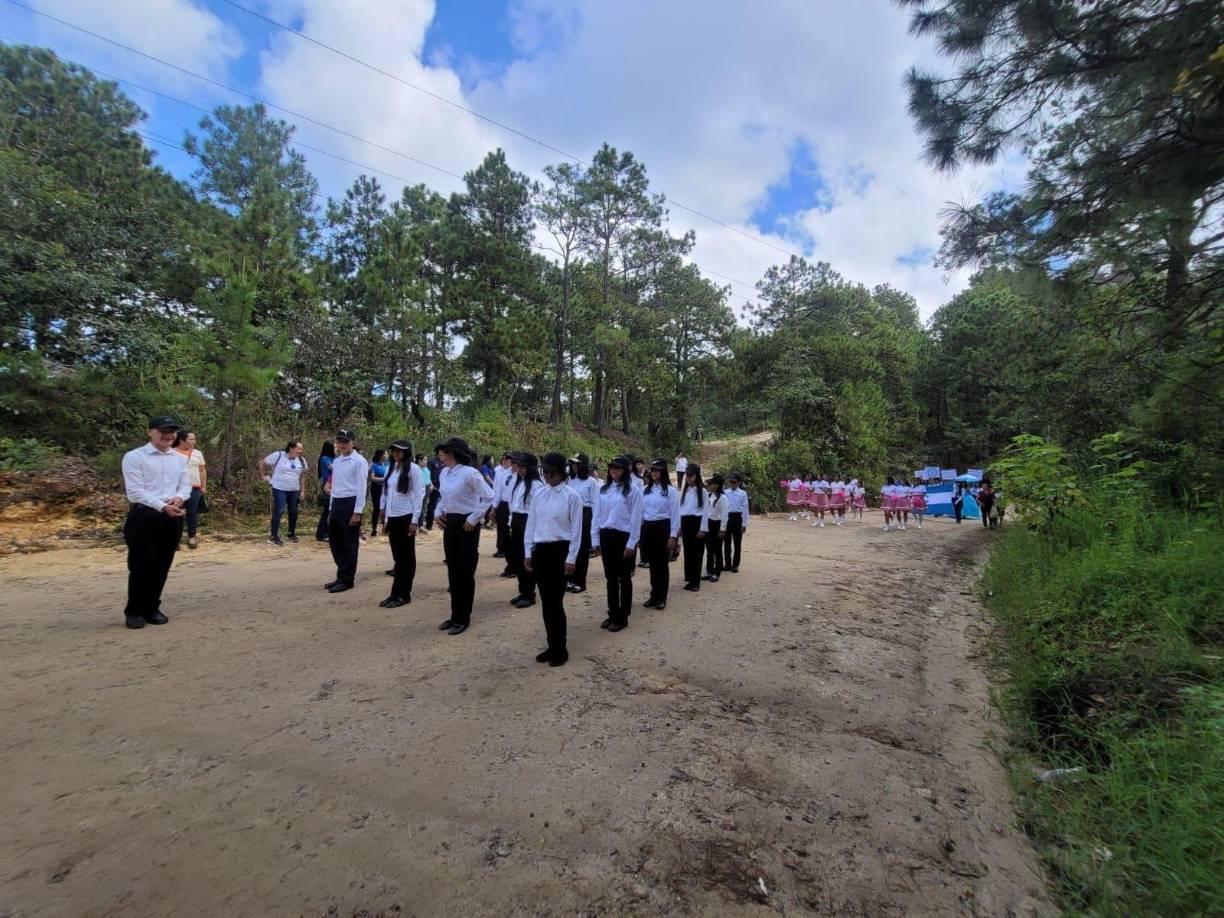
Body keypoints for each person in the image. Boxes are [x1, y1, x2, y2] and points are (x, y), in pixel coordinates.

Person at [121, 416, 191, 629]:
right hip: (144, 516)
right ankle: (134, 611)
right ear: (150, 432)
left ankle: (152, 607)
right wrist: (162, 506)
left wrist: (179, 498)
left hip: (172, 516)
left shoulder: (179, 458)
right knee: (141, 565)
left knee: (162, 564)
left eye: (172, 432)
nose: (168, 436)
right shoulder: (135, 457)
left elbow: (185, 485)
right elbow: (135, 491)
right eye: (163, 431)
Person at [524, 452, 583, 667]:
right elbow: (532, 524)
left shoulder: (571, 496)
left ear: (561, 473)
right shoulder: (539, 494)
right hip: (541, 550)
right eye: (545, 471)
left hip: (561, 551)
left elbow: (576, 531)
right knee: (546, 601)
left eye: (551, 472)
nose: (547, 476)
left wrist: (571, 557)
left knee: (555, 602)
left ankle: (560, 648)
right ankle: (551, 645)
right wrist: (528, 552)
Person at [434, 437, 493, 635]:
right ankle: (454, 615)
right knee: (453, 569)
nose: (441, 455)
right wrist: (437, 512)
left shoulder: (470, 473)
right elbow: (444, 498)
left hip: (467, 525)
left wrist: (475, 518)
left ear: (453, 453)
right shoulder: (445, 473)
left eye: (444, 452)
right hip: (450, 522)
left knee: (465, 572)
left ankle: (463, 617)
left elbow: (489, 496)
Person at [591, 455, 643, 631]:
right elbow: (597, 515)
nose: (614, 470)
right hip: (607, 536)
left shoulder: (632, 490)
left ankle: (623, 615)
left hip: (623, 536)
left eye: (617, 467)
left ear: (625, 470)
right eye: (611, 467)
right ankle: (613, 612)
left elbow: (636, 517)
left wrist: (632, 543)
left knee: (624, 576)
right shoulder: (604, 489)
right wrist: (595, 539)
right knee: (611, 577)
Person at [379, 439, 424, 608]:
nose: (396, 453)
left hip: (406, 516)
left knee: (406, 558)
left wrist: (415, 520)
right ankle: (395, 593)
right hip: (393, 517)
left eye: (400, 451)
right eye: (394, 450)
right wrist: (386, 519)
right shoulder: (391, 469)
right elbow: (387, 494)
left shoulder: (414, 469)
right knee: (398, 557)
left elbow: (419, 495)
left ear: (407, 452)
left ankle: (404, 594)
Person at [323, 430, 368, 593]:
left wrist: (358, 511)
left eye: (345, 441)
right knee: (335, 541)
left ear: (352, 443)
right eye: (339, 441)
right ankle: (342, 574)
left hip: (350, 502)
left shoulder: (359, 461)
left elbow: (362, 487)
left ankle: (347, 579)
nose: (342, 444)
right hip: (337, 502)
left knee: (349, 542)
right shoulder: (337, 461)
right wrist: (331, 509)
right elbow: (335, 486)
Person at [640, 458, 681, 609]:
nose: (654, 473)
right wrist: (639, 533)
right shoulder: (645, 490)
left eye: (657, 470)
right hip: (648, 527)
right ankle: (654, 595)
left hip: (663, 527)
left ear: (663, 472)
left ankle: (661, 597)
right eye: (653, 470)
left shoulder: (670, 491)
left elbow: (675, 514)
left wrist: (673, 536)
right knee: (652, 564)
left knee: (662, 564)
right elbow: (640, 512)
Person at [261, 439, 308, 545]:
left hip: (294, 490)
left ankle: (291, 533)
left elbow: (302, 476)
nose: (300, 451)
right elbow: (262, 462)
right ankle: (273, 536)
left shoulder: (301, 460)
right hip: (279, 488)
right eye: (298, 449)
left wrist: (302, 490)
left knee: (293, 511)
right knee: (279, 510)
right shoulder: (278, 455)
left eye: (301, 449)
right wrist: (262, 475)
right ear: (291, 448)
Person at [508, 453, 540, 609]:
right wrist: (510, 524)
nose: (519, 469)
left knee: (527, 558)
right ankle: (523, 591)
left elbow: (538, 510)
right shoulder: (519, 482)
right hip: (517, 521)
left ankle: (529, 594)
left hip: (528, 522)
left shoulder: (536, 485)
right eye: (518, 466)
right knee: (518, 558)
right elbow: (513, 506)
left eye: (522, 467)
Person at [566, 452, 599, 594]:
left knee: (582, 549)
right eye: (573, 463)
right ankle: (569, 579)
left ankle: (580, 581)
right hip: (570, 513)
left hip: (585, 514)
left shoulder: (591, 482)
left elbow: (595, 503)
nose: (574, 466)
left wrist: (594, 524)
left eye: (577, 464)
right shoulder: (569, 480)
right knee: (570, 546)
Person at [172, 429, 206, 549]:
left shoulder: (197, 453)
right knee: (176, 513)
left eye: (194, 439)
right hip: (176, 489)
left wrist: (203, 486)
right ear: (182, 440)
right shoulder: (171, 452)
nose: (194, 441)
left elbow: (202, 471)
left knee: (192, 513)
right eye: (191, 439)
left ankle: (192, 537)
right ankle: (175, 539)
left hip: (194, 487)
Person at [679, 465, 710, 591]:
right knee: (688, 552)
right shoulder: (685, 491)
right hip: (686, 522)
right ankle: (690, 579)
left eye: (690, 475)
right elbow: (681, 509)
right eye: (687, 475)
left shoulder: (703, 491)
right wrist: (679, 526)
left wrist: (703, 529)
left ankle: (696, 582)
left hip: (697, 522)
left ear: (696, 476)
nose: (688, 478)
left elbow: (706, 511)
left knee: (697, 553)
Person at [493, 452, 518, 571]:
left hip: (515, 507)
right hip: (503, 505)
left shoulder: (521, 476)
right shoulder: (504, 473)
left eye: (514, 461)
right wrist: (494, 507)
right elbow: (499, 491)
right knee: (503, 532)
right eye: (511, 461)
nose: (512, 463)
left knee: (512, 535)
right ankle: (508, 561)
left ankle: (514, 564)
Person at [703, 473, 727, 582]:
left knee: (717, 550)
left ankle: (717, 572)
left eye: (711, 484)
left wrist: (722, 529)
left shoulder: (723, 498)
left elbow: (725, 515)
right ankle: (709, 571)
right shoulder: (708, 495)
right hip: (709, 524)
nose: (709, 485)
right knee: (709, 549)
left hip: (717, 524)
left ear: (716, 485)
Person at [723, 472, 749, 572]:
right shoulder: (725, 492)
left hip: (738, 518)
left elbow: (745, 509)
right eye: (731, 482)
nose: (732, 484)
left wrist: (744, 524)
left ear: (738, 482)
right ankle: (728, 564)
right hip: (727, 518)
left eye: (734, 482)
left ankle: (735, 565)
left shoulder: (742, 493)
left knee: (737, 543)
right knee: (727, 542)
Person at [314, 439, 336, 541]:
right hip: (327, 484)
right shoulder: (325, 458)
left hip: (335, 483)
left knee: (332, 509)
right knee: (327, 509)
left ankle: (328, 531)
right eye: (335, 447)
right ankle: (322, 533)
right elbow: (333, 468)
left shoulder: (335, 458)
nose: (337, 448)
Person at [367, 449, 389, 539]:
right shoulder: (373, 465)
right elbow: (372, 478)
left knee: (385, 507)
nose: (387, 455)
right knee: (377, 507)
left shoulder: (387, 464)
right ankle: (374, 528)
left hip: (386, 488)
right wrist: (384, 479)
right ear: (380, 455)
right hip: (376, 488)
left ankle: (385, 526)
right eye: (385, 454)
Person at [424, 451, 443, 530]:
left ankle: (441, 523)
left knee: (442, 506)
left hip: (442, 487)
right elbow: (428, 474)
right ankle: (429, 524)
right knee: (432, 506)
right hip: (434, 487)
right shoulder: (432, 461)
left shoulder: (444, 462)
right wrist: (431, 484)